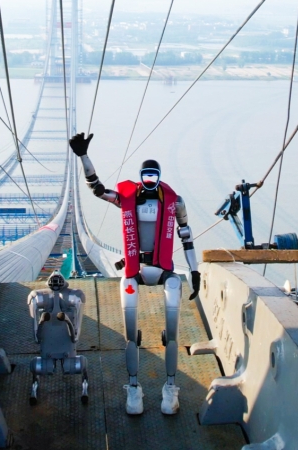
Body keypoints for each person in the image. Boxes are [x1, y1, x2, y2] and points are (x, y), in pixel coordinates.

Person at [69, 132, 200, 416]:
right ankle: (133, 387)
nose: (150, 180)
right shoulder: (127, 198)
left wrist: (195, 271)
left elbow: (187, 236)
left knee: (173, 331)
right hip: (134, 269)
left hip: (164, 270)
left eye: (154, 176)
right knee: (130, 333)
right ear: (141, 177)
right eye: (146, 176)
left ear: (159, 177)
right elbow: (97, 189)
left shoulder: (175, 202)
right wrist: (83, 156)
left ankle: (170, 387)